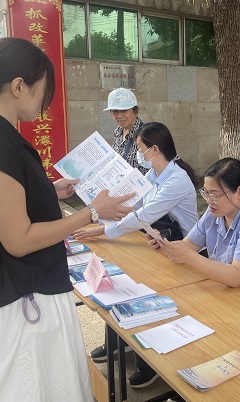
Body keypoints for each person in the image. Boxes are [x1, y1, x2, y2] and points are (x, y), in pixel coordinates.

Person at [0, 38, 133, 402]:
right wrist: (91, 212)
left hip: (20, 291)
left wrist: (49, 190)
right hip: (17, 302)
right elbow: (19, 239)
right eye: (43, 91)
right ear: (18, 86)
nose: (45, 103)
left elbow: (11, 202)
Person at [72, 121, 198, 388]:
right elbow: (133, 205)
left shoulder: (176, 179)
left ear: (154, 149)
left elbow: (143, 214)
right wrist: (101, 217)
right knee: (129, 284)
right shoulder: (153, 174)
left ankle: (150, 362)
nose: (138, 154)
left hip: (188, 249)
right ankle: (119, 343)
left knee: (153, 294)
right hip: (160, 243)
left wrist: (101, 230)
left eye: (140, 149)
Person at [156, 157, 240, 300]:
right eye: (206, 193)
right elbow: (187, 246)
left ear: (239, 192)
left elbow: (236, 276)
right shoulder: (214, 212)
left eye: (215, 195)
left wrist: (189, 256)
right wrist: (165, 245)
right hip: (228, 290)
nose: (209, 201)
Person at [104, 87, 148, 175]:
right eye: (115, 111)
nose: (119, 115)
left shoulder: (146, 133)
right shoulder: (117, 132)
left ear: (135, 110)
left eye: (124, 110)